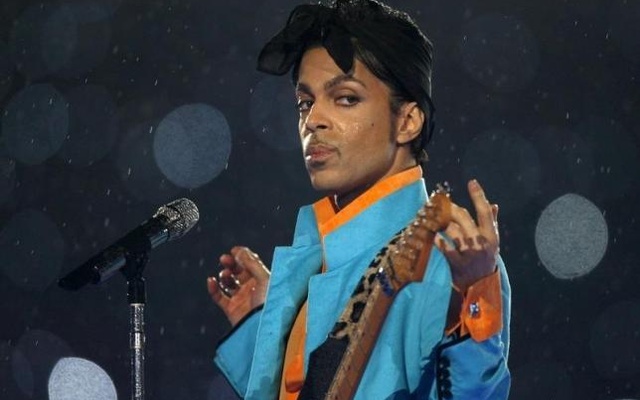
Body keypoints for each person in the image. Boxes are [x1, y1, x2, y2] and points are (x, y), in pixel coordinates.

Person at [207, 1, 511, 399]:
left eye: (346, 98)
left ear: (408, 121)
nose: (313, 119)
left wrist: (476, 301)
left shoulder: (444, 257)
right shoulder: (312, 263)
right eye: (305, 102)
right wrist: (264, 325)